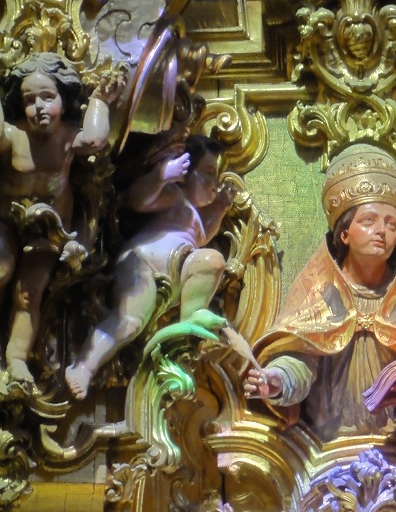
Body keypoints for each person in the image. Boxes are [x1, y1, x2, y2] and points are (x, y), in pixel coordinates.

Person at [243, 144, 396, 441]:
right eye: (368, 220)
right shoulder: (319, 290)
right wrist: (278, 381)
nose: (382, 231)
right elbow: (301, 360)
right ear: (344, 233)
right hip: (327, 443)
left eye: (392, 224)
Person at [65, 132, 236, 400]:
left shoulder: (194, 218)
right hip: (143, 263)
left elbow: (203, 236)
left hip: (173, 272)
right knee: (129, 322)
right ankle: (84, 367)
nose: (214, 185)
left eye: (217, 178)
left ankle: (192, 316)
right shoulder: (175, 197)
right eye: (208, 173)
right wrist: (162, 176)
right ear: (186, 172)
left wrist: (221, 207)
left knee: (212, 260)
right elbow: (137, 200)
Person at [0, 52, 119, 384]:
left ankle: (16, 359)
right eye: (30, 100)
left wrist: (99, 100)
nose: (39, 106)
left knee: (29, 293)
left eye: (47, 97)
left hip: (50, 229)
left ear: (64, 102)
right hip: (7, 220)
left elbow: (94, 139)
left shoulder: (67, 137)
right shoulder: (13, 136)